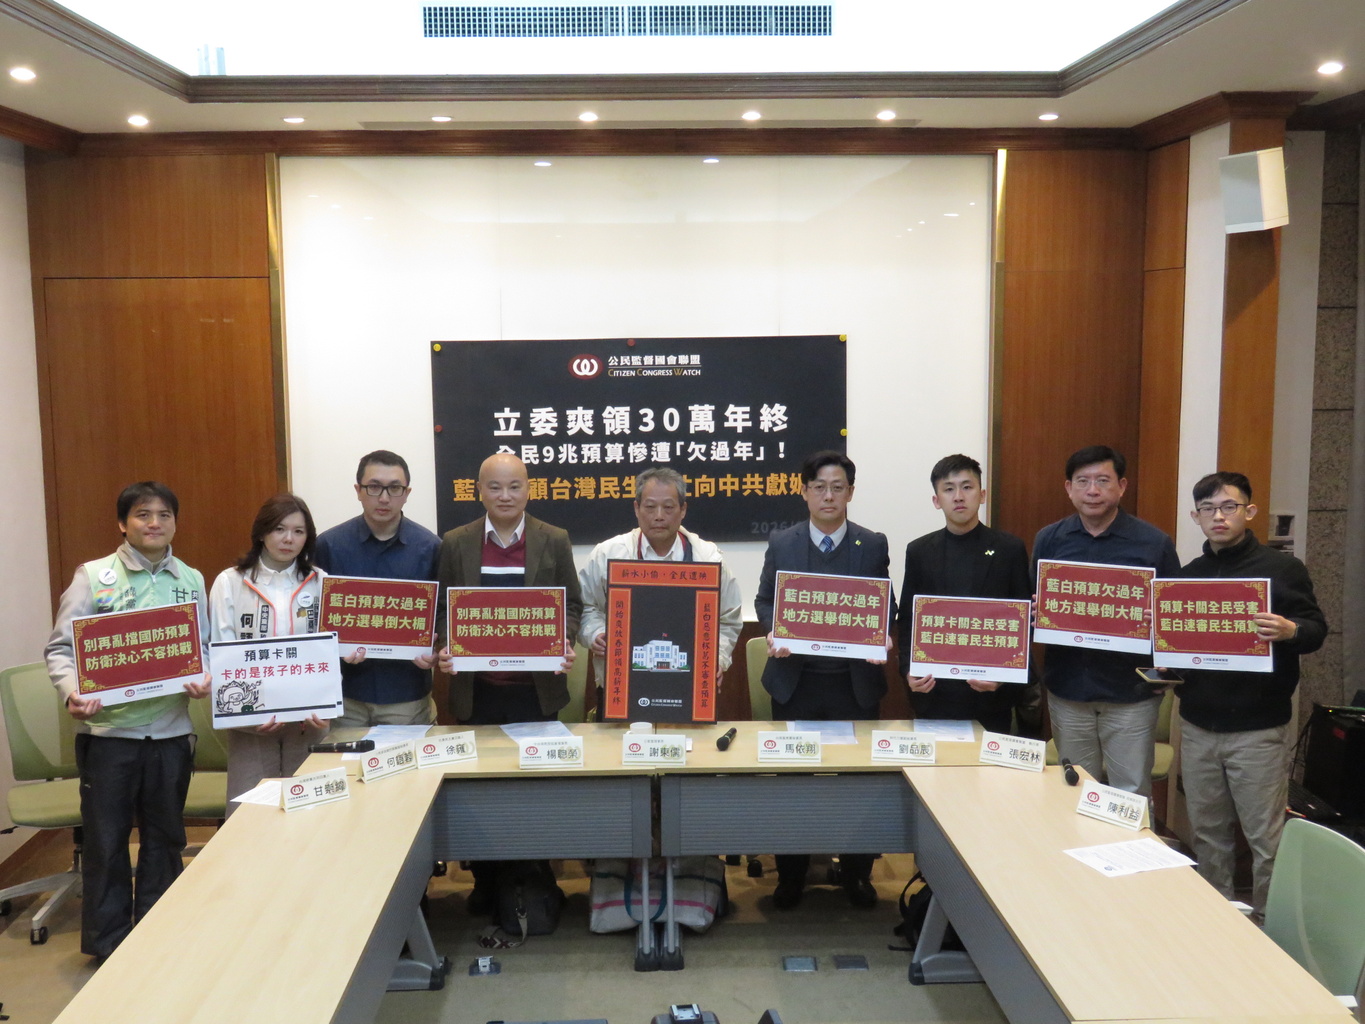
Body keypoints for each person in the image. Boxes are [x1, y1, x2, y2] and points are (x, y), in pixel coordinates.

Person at [44, 481, 211, 960]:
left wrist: (205, 675)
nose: (154, 523)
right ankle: (109, 946)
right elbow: (61, 649)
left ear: (175, 523)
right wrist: (71, 690)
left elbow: (203, 645)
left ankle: (158, 939)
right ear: (122, 523)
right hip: (109, 735)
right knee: (106, 842)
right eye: (142, 514)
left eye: (164, 515)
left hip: (171, 732)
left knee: (165, 840)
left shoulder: (191, 578)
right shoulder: (94, 576)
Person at [434, 453, 582, 914]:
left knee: (533, 791)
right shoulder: (456, 542)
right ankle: (486, 882)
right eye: (494, 487)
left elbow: (572, 605)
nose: (505, 495)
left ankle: (531, 881)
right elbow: (442, 609)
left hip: (534, 691)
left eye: (514, 486)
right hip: (478, 690)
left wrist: (563, 639)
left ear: (528, 490)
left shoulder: (553, 538)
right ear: (479, 490)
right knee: (481, 791)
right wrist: (445, 645)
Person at [1177, 471, 1325, 919]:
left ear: (1250, 511)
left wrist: (1291, 630)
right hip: (1198, 725)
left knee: (1266, 839)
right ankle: (1217, 921)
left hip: (1258, 729)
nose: (1218, 517)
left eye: (1229, 507)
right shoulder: (1188, 577)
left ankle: (1268, 927)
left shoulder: (1282, 569)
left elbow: (1316, 630)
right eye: (1208, 509)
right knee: (1208, 834)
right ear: (1196, 517)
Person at [755, 450, 894, 909]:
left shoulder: (872, 543)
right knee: (793, 783)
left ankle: (857, 875)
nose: (828, 496)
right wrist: (774, 630)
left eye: (837, 487)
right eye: (819, 487)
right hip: (796, 684)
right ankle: (790, 876)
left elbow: (885, 606)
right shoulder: (783, 542)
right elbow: (764, 601)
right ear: (804, 492)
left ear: (850, 492)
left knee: (859, 784)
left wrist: (883, 635)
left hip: (854, 686)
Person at [1032, 445, 1180, 795]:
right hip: (1069, 690)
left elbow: (1174, 617)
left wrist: (1166, 668)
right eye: (1082, 481)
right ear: (1069, 488)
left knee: (1130, 793)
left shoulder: (1153, 543)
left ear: (1122, 486)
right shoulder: (1050, 540)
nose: (1092, 491)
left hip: (1131, 693)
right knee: (1074, 791)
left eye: (1102, 480)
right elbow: (1030, 604)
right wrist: (1037, 612)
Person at [209, 493, 328, 813]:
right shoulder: (230, 582)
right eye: (279, 529)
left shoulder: (321, 582)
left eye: (298, 531)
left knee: (309, 811)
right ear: (261, 532)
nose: (289, 539)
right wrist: (249, 714)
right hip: (252, 720)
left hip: (309, 718)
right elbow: (222, 651)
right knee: (251, 813)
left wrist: (325, 700)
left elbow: (331, 651)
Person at [898, 454, 1031, 735]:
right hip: (935, 691)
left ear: (982, 495)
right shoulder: (919, 551)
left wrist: (1004, 677)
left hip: (990, 694)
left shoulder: (1009, 550)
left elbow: (1023, 623)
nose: (958, 496)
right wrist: (909, 671)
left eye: (967, 487)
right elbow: (908, 619)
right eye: (949, 489)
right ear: (937, 500)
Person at [314, 450, 441, 727]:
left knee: (407, 758)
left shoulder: (430, 548)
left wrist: (436, 647)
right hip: (345, 694)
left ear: (407, 493)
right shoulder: (329, 545)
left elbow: (442, 615)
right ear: (358, 491)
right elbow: (311, 615)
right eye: (374, 487)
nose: (384, 498)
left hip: (405, 694)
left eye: (394, 488)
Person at [578, 466, 742, 681]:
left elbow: (728, 619)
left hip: (688, 679)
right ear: (636, 508)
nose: (658, 516)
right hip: (620, 678)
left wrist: (716, 658)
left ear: (683, 510)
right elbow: (584, 605)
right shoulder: (608, 554)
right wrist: (596, 633)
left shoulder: (708, 559)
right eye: (650, 507)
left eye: (668, 507)